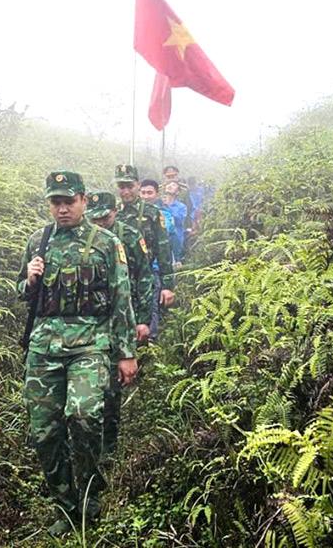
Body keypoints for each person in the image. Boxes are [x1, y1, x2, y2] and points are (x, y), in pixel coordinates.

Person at [17, 170, 138, 537]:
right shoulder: (39, 241)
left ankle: (89, 496)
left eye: (68, 201)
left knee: (84, 415)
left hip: (91, 343)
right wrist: (31, 278)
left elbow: (121, 298)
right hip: (45, 346)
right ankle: (66, 506)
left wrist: (126, 352)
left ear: (84, 200)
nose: (62, 208)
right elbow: (22, 291)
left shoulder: (106, 242)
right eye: (55, 201)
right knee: (44, 431)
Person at [86, 190, 155, 457]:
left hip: (125, 313)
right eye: (95, 218)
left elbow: (144, 277)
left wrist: (143, 319)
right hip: (93, 322)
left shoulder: (128, 237)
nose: (100, 222)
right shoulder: (84, 239)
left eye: (104, 217)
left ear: (114, 212)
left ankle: (109, 448)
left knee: (112, 386)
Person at [114, 164, 175, 339]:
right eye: (121, 186)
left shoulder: (152, 213)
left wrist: (168, 285)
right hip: (117, 278)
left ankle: (150, 359)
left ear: (138, 185)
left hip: (145, 275)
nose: (125, 191)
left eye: (129, 186)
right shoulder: (113, 212)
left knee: (148, 324)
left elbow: (163, 247)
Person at [160, 181, 188, 267]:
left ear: (178, 192)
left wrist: (168, 208)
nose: (170, 186)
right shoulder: (159, 204)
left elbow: (180, 221)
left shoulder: (181, 207)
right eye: (168, 184)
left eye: (173, 185)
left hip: (176, 240)